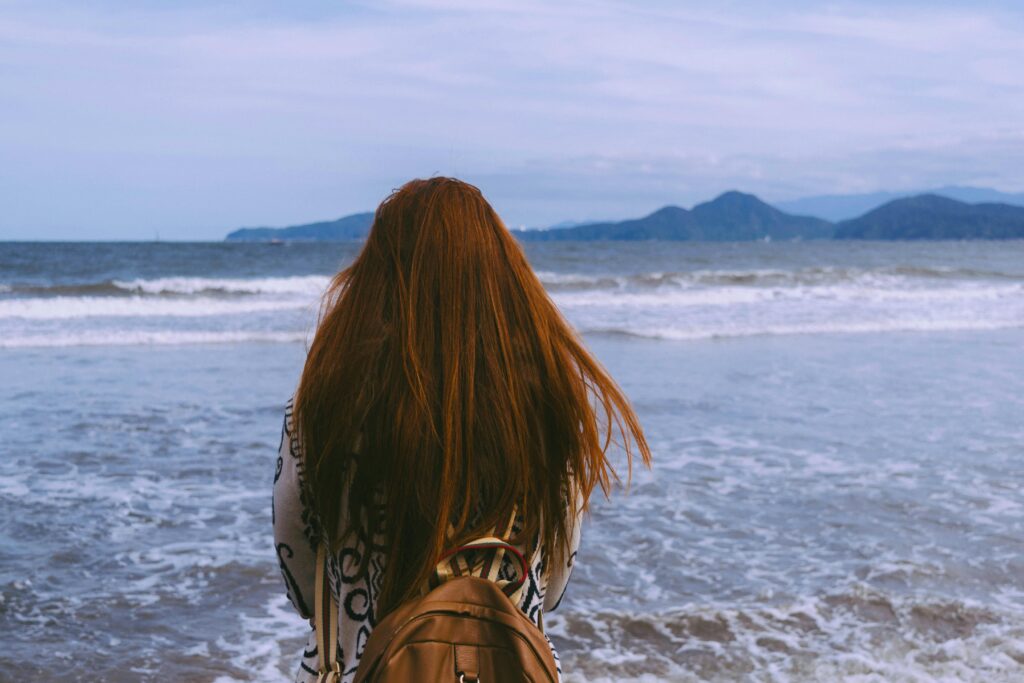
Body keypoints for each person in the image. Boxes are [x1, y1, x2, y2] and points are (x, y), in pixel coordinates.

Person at [272, 177, 650, 682]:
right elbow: (554, 588)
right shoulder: (547, 403)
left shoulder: (323, 401)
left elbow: (301, 587)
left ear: (378, 277)